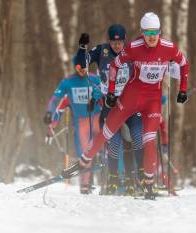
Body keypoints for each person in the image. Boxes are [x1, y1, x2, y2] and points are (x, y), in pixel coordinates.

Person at [77, 12, 189, 200]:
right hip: (130, 97)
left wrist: (182, 90)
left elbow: (184, 64)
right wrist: (111, 93)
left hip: (152, 101)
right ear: (142, 33)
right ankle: (84, 160)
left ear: (160, 32)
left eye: (156, 32)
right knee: (108, 132)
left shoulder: (169, 47)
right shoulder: (133, 48)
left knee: (148, 140)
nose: (152, 37)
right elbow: (114, 66)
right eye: (148, 33)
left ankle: (147, 183)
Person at [76, 24, 144, 196]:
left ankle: (131, 178)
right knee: (114, 142)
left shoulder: (130, 52)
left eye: (120, 42)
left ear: (124, 40)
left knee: (132, 139)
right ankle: (113, 178)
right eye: (113, 43)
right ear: (109, 41)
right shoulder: (102, 51)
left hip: (129, 102)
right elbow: (81, 64)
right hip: (110, 103)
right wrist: (82, 48)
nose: (117, 46)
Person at [44, 58, 102, 194]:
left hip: (97, 119)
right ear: (76, 68)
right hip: (82, 122)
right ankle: (85, 184)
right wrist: (52, 125)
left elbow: (106, 95)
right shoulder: (69, 85)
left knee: (104, 149)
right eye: (80, 68)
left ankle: (110, 179)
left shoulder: (95, 79)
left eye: (85, 67)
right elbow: (57, 108)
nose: (83, 70)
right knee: (85, 153)